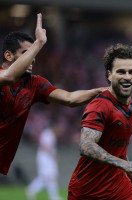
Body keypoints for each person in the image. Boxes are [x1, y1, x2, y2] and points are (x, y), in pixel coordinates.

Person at [0, 13, 105, 176]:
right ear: (8, 55)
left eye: (34, 55)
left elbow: (70, 99)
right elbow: (8, 77)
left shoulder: (35, 84)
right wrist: (39, 42)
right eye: (26, 53)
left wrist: (99, 91)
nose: (33, 59)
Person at [68, 43, 132, 200]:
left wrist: (127, 167)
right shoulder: (99, 105)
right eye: (121, 72)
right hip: (88, 190)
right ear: (109, 75)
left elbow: (118, 145)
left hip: (117, 185)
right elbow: (86, 145)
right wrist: (125, 165)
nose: (127, 77)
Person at [26, 121, 63, 200]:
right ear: (55, 127)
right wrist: (53, 156)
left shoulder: (51, 134)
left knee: (47, 178)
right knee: (48, 177)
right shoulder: (47, 133)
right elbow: (45, 145)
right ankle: (53, 196)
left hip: (47, 157)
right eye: (58, 129)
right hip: (45, 158)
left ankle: (32, 190)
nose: (59, 131)